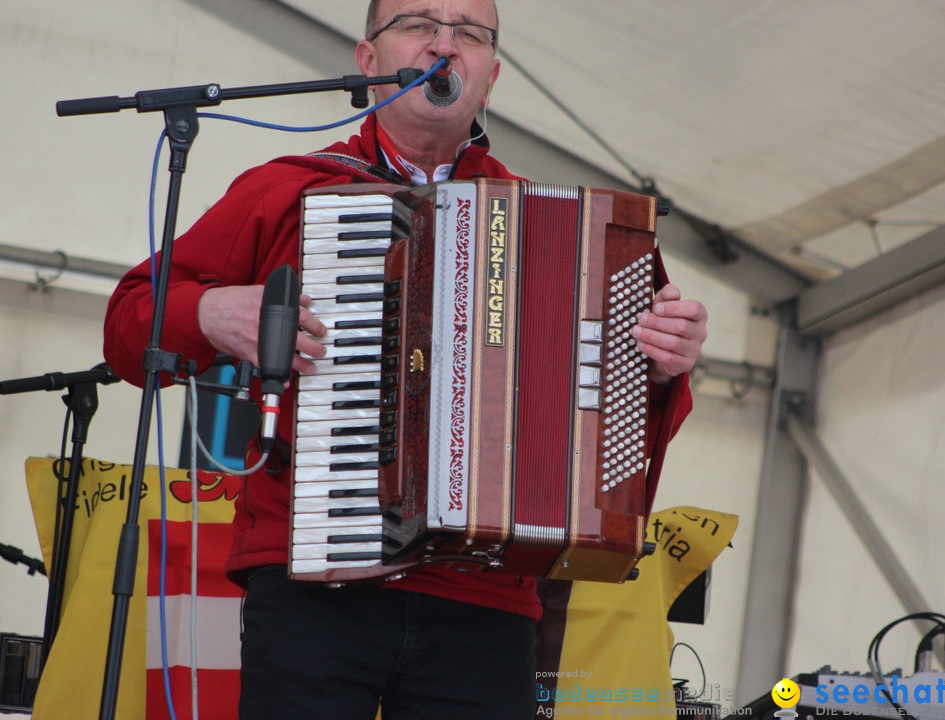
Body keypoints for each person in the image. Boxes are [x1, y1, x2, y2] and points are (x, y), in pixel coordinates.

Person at [103, 1, 708, 718]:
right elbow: (127, 323)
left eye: (470, 34)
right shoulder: (287, 189)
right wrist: (211, 312)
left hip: (485, 598)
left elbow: (613, 441)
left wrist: (663, 366)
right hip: (313, 587)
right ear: (368, 61)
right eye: (419, 24)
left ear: (490, 79)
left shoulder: (564, 235)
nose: (445, 44)